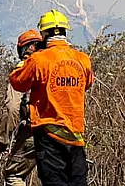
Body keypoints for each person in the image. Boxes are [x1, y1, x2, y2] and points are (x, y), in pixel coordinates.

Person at [8, 10, 95, 186]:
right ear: (65, 32)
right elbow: (87, 84)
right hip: (76, 135)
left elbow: (17, 82)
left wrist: (27, 60)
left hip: (49, 134)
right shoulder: (83, 59)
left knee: (54, 181)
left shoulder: (39, 60)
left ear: (44, 34)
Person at [0, 29, 44, 186]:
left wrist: (4, 139)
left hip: (32, 131)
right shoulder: (52, 66)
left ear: (22, 49)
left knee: (13, 175)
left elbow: (12, 108)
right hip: (62, 131)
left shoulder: (22, 69)